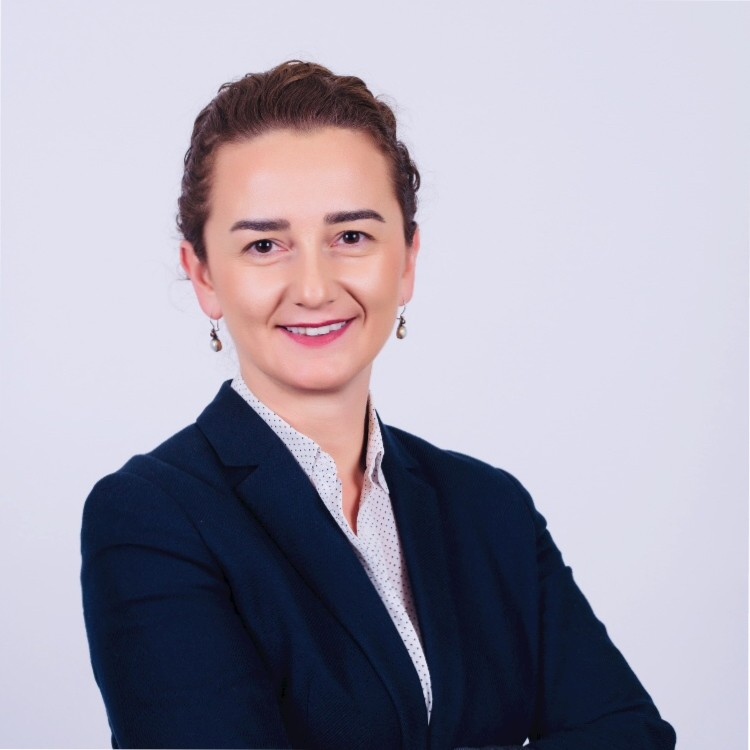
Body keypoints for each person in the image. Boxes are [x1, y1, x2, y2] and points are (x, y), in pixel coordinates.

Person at [80, 61, 676, 750]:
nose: (313, 288)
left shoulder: (492, 509)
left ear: (407, 260)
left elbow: (633, 737)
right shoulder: (151, 520)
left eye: (352, 237)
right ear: (205, 276)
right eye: (265, 245)